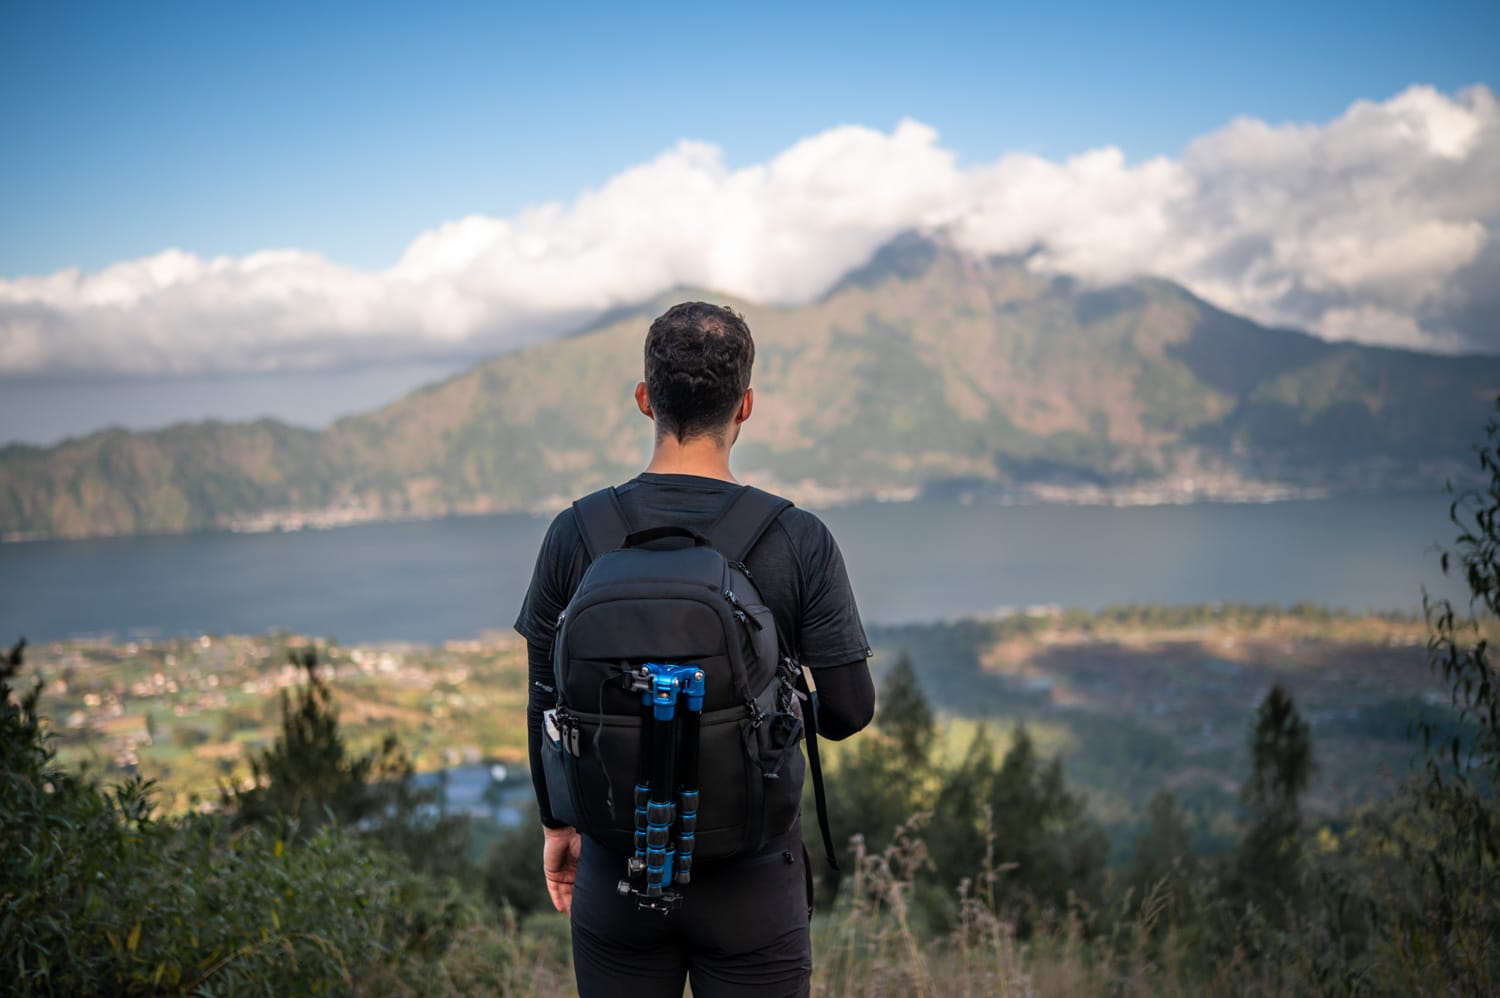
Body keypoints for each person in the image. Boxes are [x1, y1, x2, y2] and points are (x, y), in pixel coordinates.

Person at [515, 301, 876, 997]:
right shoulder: (795, 538)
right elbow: (850, 711)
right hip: (753, 881)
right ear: (745, 406)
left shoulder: (576, 533)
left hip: (618, 871)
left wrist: (558, 823)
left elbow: (543, 699)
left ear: (645, 400)